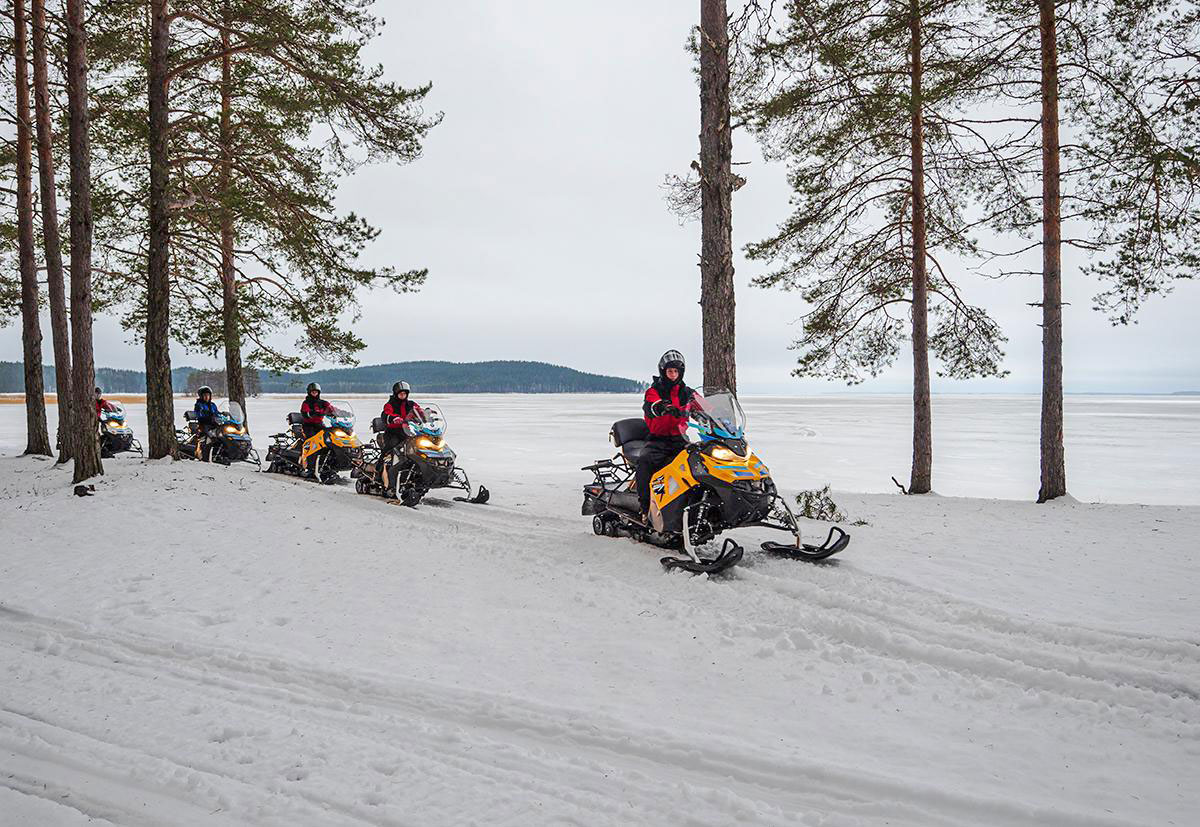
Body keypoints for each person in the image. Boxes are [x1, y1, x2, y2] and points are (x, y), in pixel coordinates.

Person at [636, 350, 698, 519]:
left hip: (680, 440)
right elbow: (650, 405)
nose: (673, 374)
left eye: (676, 371)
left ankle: (694, 505)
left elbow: (704, 406)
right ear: (663, 372)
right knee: (645, 461)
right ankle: (645, 506)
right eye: (669, 371)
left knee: (698, 464)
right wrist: (662, 407)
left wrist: (718, 417)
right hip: (658, 440)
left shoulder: (687, 392)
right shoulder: (654, 390)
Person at [377, 381, 424, 494]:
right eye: (400, 393)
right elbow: (385, 414)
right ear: (396, 393)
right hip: (394, 432)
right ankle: (379, 467)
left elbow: (418, 411)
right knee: (392, 446)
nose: (403, 395)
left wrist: (425, 414)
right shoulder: (390, 404)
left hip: (409, 433)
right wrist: (393, 418)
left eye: (404, 393)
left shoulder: (411, 404)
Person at [298, 382, 334, 476]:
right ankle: (310, 467)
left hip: (319, 424)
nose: (314, 394)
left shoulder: (323, 402)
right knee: (312, 442)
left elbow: (332, 408)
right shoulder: (306, 403)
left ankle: (328, 463)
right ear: (309, 392)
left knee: (330, 439)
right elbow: (305, 413)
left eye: (316, 392)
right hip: (308, 425)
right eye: (313, 392)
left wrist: (342, 412)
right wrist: (313, 413)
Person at [193, 386, 221, 461]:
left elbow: (217, 413)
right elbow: (198, 414)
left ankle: (220, 455)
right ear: (201, 396)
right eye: (205, 395)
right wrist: (207, 416)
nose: (206, 397)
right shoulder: (199, 405)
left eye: (208, 395)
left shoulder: (213, 405)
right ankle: (204, 456)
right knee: (210, 438)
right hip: (204, 424)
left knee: (221, 436)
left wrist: (222, 415)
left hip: (214, 424)